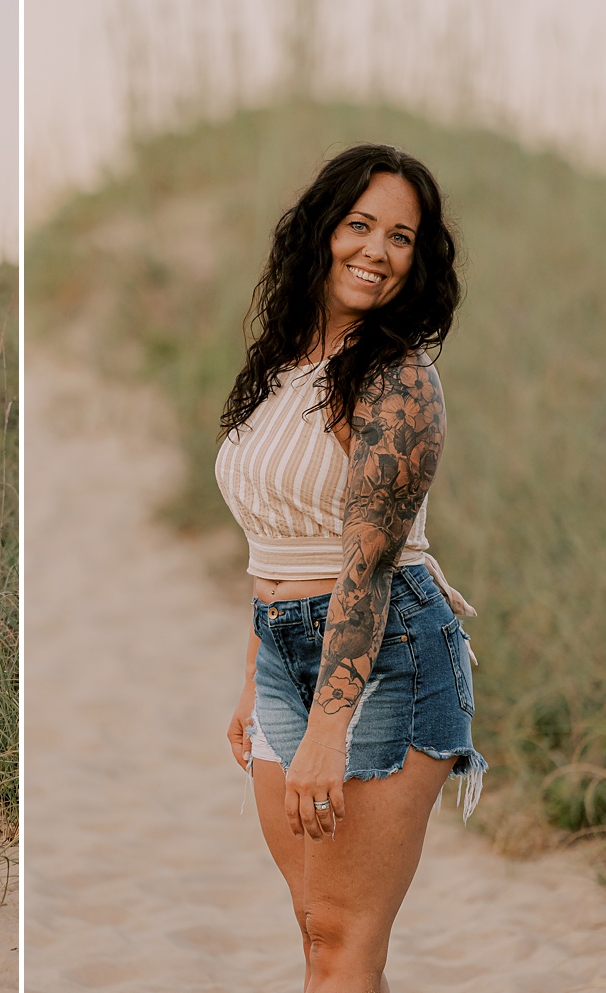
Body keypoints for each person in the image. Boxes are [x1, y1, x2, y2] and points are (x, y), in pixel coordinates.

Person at [215, 143, 485, 990]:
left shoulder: (397, 379)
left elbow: (365, 568)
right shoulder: (281, 363)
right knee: (319, 932)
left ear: (419, 260)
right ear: (322, 230)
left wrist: (329, 724)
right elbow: (272, 536)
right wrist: (259, 667)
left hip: (386, 655)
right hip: (285, 652)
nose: (376, 249)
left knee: (340, 934)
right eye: (360, 225)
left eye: (401, 237)